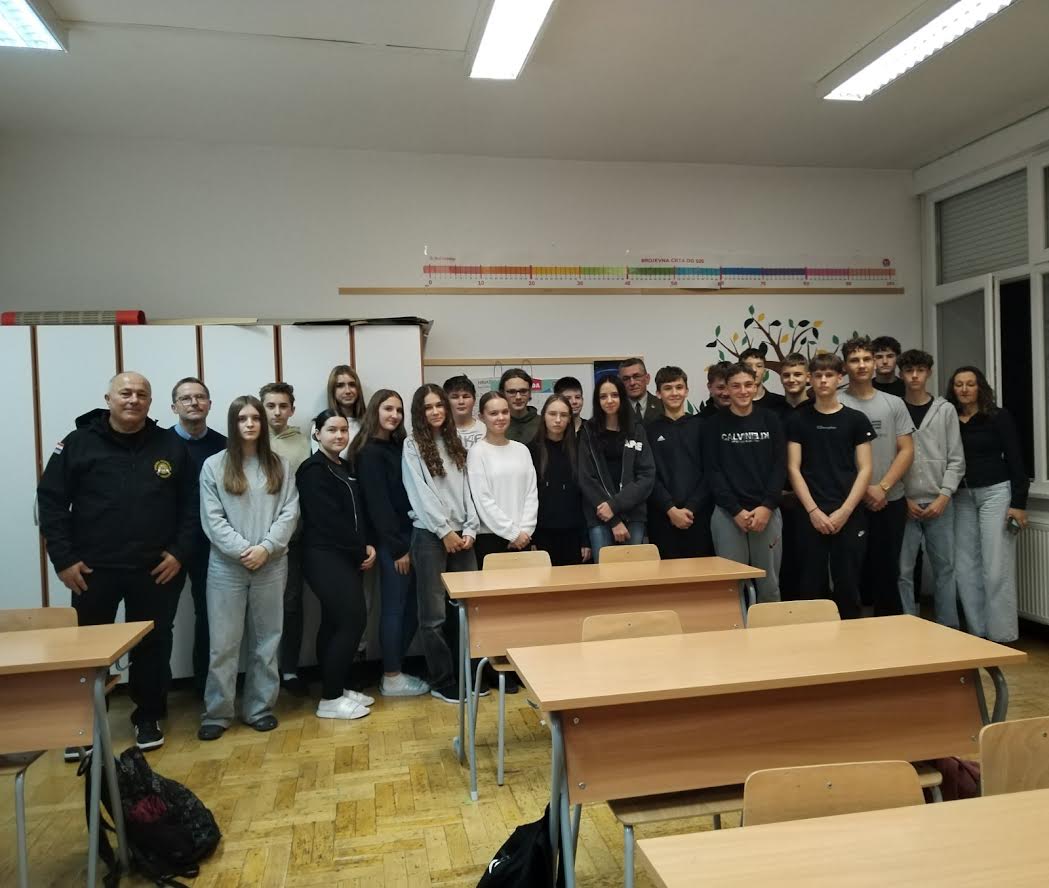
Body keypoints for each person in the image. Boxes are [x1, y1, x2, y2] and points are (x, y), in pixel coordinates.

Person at [38, 371, 197, 753]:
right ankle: (86, 725)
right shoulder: (78, 443)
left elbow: (193, 506)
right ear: (108, 398)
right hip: (92, 570)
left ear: (150, 402)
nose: (133, 399)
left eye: (142, 394)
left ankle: (148, 716)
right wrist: (63, 559)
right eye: (125, 393)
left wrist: (179, 552)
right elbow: (51, 502)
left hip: (155, 569)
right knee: (88, 649)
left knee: (153, 646)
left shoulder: (170, 445)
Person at [197, 395, 299, 740]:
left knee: (267, 641)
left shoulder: (280, 465)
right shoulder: (214, 465)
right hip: (227, 568)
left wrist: (266, 548)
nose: (250, 424)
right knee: (223, 644)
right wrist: (245, 551)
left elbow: (289, 512)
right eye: (242, 419)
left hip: (271, 565)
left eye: (255, 417)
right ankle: (217, 712)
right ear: (233, 423)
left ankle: (259, 708)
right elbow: (213, 520)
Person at [296, 410, 377, 720]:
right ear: (317, 433)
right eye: (331, 430)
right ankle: (330, 699)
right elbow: (327, 520)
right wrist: (359, 550)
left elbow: (358, 514)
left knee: (333, 623)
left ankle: (337, 687)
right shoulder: (312, 469)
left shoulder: (345, 467)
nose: (339, 435)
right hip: (323, 556)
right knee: (352, 620)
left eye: (343, 430)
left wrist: (367, 545)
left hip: (348, 556)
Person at [348, 389, 430, 697]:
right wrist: (398, 549)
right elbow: (378, 505)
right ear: (375, 411)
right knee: (394, 608)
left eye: (398, 410)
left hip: (412, 536)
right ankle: (392, 675)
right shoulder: (369, 452)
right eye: (388, 409)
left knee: (413, 608)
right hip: (393, 543)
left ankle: (396, 669)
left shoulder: (399, 446)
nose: (394, 415)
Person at [402, 384, 479, 704]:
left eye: (439, 405)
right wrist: (444, 531)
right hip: (430, 537)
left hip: (464, 536)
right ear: (419, 413)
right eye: (428, 407)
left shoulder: (456, 442)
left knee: (467, 610)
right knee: (433, 616)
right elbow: (419, 493)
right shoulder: (412, 445)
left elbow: (471, 488)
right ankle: (442, 679)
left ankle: (467, 675)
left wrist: (471, 528)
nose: (435, 411)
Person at [785, 354, 874, 619]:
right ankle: (813, 640)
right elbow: (793, 468)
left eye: (829, 375)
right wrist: (813, 511)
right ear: (810, 379)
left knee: (848, 583)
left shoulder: (856, 419)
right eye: (818, 375)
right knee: (810, 583)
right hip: (810, 512)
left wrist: (845, 511)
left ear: (840, 378)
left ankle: (851, 639)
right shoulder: (797, 420)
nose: (823, 380)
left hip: (849, 512)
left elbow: (865, 469)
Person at [947, 366, 1029, 643]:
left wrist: (1019, 502)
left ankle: (1002, 637)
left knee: (996, 567)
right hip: (961, 496)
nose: (964, 389)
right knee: (965, 568)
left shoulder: (997, 416)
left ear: (980, 386)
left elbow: (1016, 459)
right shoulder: (949, 418)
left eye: (970, 384)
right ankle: (978, 634)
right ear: (953, 389)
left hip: (996, 494)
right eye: (959, 384)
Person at [838, 336, 914, 616]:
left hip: (889, 500)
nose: (861, 365)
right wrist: (862, 491)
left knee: (887, 572)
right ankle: (852, 633)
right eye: (854, 360)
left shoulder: (894, 403)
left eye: (866, 359)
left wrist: (882, 487)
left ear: (873, 364)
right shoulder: (835, 402)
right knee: (851, 573)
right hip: (849, 503)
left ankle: (888, 632)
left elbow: (906, 450)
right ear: (845, 366)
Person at [706, 363, 786, 602]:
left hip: (766, 513)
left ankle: (769, 627)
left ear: (756, 386)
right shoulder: (713, 424)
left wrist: (767, 506)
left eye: (748, 385)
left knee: (769, 584)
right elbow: (712, 471)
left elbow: (780, 466)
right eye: (736, 386)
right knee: (731, 586)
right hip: (728, 514)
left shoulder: (771, 419)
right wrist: (735, 510)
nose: (743, 391)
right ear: (727, 389)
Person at [897, 351, 965, 627]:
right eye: (909, 370)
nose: (915, 376)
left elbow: (956, 459)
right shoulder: (895, 409)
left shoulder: (945, 410)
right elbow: (887, 459)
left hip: (940, 503)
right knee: (903, 571)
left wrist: (944, 495)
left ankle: (948, 627)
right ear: (901, 374)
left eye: (920, 370)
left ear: (929, 373)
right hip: (904, 504)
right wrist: (901, 497)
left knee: (945, 568)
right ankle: (907, 626)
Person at [168, 376, 226, 700]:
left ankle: (205, 688)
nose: (194, 403)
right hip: (169, 549)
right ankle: (155, 696)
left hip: (211, 546)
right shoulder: (159, 444)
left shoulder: (224, 445)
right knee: (160, 621)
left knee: (209, 617)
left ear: (209, 404)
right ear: (173, 406)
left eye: (200, 397)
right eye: (186, 398)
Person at [259, 382, 312, 697]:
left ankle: (290, 668)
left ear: (292, 409)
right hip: (256, 539)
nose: (277, 412)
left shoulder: (303, 442)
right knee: (259, 610)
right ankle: (260, 673)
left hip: (294, 537)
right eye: (270, 406)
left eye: (283, 406)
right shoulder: (250, 439)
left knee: (291, 604)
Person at [578, 374, 656, 559]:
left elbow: (646, 475)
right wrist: (612, 519)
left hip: (633, 514)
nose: (609, 401)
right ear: (597, 401)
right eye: (603, 396)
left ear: (622, 397)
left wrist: (615, 505)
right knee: (604, 573)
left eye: (614, 395)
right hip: (600, 516)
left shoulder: (636, 430)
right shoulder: (588, 431)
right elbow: (586, 478)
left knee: (633, 573)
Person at [645, 366, 711, 559]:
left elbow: (711, 471)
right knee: (667, 574)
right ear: (658, 393)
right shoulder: (648, 431)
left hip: (699, 515)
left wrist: (691, 507)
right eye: (668, 388)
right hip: (663, 517)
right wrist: (670, 509)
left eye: (679, 387)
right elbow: (649, 475)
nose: (674, 393)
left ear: (687, 391)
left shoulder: (702, 426)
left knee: (702, 572)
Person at [468, 391, 539, 566]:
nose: (500, 417)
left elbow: (531, 494)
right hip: (490, 537)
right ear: (482, 417)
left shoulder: (522, 450)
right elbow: (482, 500)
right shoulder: (477, 452)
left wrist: (525, 531)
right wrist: (512, 533)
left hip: (523, 537)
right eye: (493, 413)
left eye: (504, 412)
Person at [530, 394, 589, 565]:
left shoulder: (580, 449)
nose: (558, 420)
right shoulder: (531, 450)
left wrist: (585, 539)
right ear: (543, 416)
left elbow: (585, 497)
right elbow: (527, 498)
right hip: (541, 534)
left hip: (573, 534)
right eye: (552, 414)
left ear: (570, 419)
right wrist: (532, 539)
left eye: (563, 415)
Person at [776, 354, 812, 599]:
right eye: (787, 375)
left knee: (809, 561)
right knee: (783, 561)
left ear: (808, 377)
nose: (792, 379)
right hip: (777, 496)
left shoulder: (817, 409)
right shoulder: (772, 411)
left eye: (798, 374)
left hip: (810, 498)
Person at [327, 364, 365, 448]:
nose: (348, 391)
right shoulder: (322, 426)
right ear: (332, 391)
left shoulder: (370, 424)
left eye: (352, 385)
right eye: (340, 386)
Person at [444, 374, 486, 450]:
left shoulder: (486, 430)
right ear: (446, 401)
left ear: (474, 400)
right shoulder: (441, 432)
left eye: (466, 396)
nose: (461, 402)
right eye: (455, 397)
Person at [739, 348, 787, 413]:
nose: (754, 370)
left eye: (759, 366)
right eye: (749, 366)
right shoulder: (733, 404)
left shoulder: (781, 403)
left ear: (764, 372)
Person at [499, 368, 540, 444]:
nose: (518, 397)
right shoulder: (497, 424)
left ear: (530, 392)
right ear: (502, 393)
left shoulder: (543, 424)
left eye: (523, 391)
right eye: (512, 392)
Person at [618, 357, 663, 423]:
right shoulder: (616, 409)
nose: (632, 383)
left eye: (636, 376)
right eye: (626, 379)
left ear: (647, 378)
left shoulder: (663, 405)